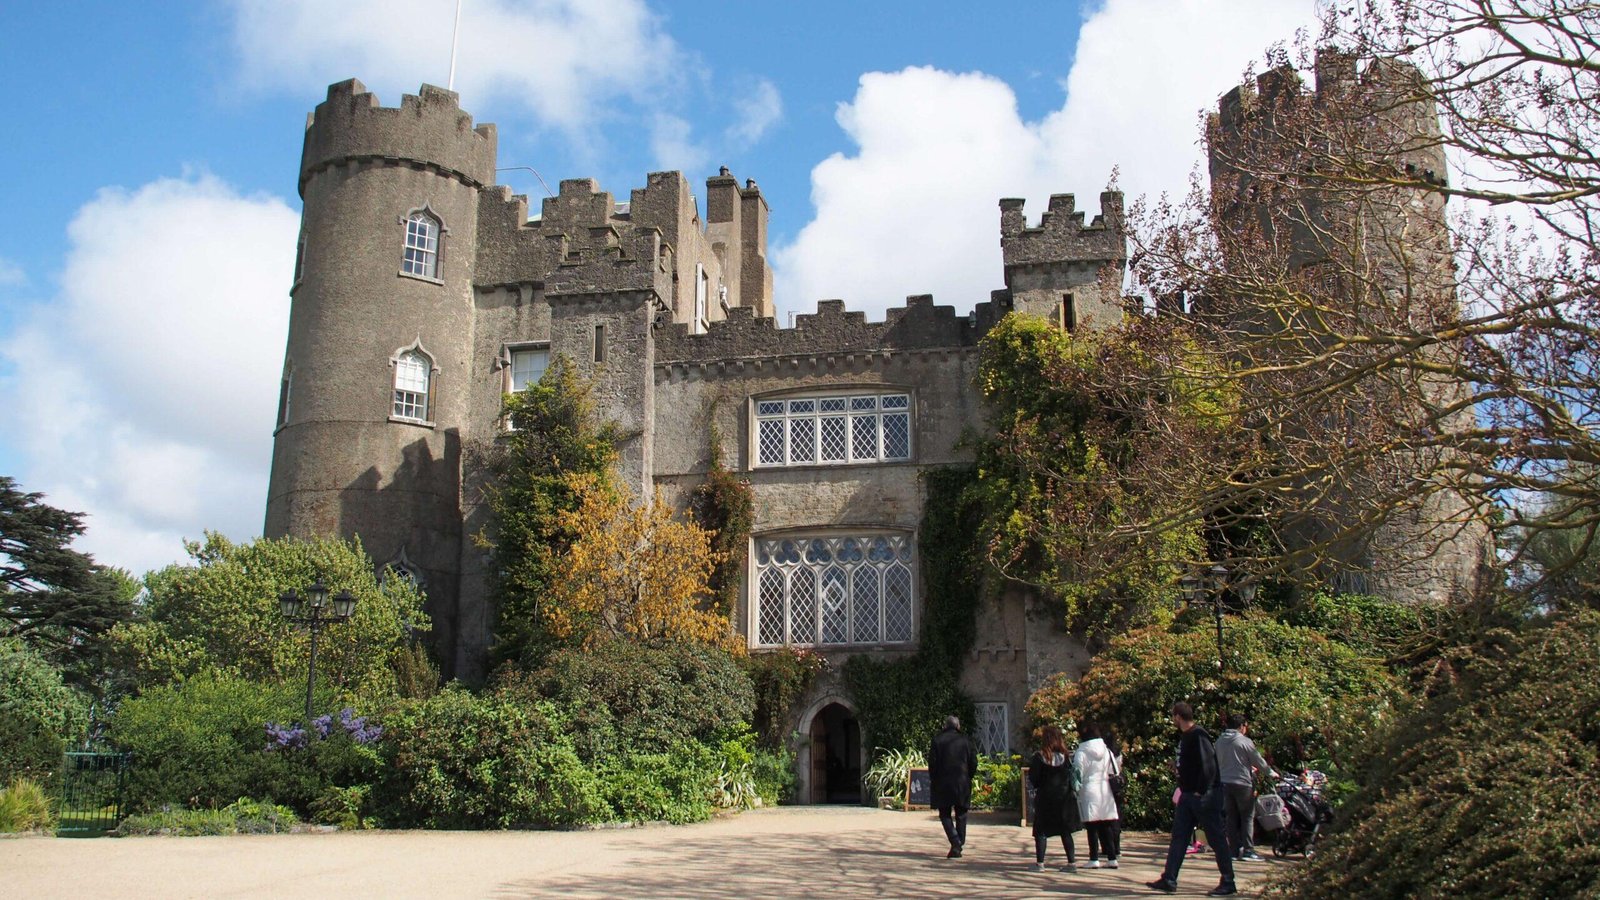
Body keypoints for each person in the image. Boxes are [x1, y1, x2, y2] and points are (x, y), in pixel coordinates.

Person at [1147, 702, 1236, 896]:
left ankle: (1228, 882)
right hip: (1187, 795)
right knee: (1179, 837)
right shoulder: (1186, 737)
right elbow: (1193, 764)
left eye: (1173, 716)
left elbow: (1208, 765)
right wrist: (1178, 767)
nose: (1172, 719)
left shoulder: (1198, 735)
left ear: (1178, 716)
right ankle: (1169, 879)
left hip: (1204, 796)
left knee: (1216, 838)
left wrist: (1201, 790)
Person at [1215, 713, 1277, 863]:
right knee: (1247, 817)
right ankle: (1249, 850)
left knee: (1231, 817)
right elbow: (1258, 760)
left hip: (1225, 782)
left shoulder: (1219, 741)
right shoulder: (1244, 741)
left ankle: (1234, 850)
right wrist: (1270, 772)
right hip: (1243, 783)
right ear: (1242, 726)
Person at [1027, 725, 1082, 872]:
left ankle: (1040, 864)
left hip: (1045, 798)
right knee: (1065, 831)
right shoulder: (1065, 757)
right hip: (1064, 798)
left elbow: (1033, 778)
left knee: (1041, 831)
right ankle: (1071, 863)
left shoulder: (1039, 757)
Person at [928, 714, 978, 858]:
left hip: (943, 782)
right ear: (958, 726)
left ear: (945, 726)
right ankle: (958, 842)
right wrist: (969, 776)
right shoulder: (966, 741)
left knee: (944, 814)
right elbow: (973, 762)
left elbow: (932, 763)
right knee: (961, 814)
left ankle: (956, 842)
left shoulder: (937, 740)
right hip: (962, 782)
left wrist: (934, 779)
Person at [1072, 721, 1121, 868]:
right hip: (1104, 788)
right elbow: (1114, 770)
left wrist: (1075, 789)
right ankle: (1112, 858)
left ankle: (1094, 858)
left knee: (1092, 826)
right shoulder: (1107, 751)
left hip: (1089, 789)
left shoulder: (1081, 752)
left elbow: (1077, 774)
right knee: (1106, 824)